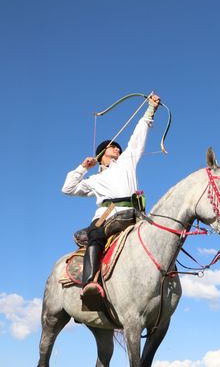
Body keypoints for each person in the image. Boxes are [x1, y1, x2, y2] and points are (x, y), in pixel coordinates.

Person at [62, 93, 161, 309]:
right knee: (94, 233)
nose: (118, 148)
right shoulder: (94, 179)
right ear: (102, 154)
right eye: (113, 147)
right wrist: (82, 168)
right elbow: (67, 188)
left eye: (118, 147)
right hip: (106, 218)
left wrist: (150, 110)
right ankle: (90, 285)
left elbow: (138, 136)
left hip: (133, 215)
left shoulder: (126, 163)